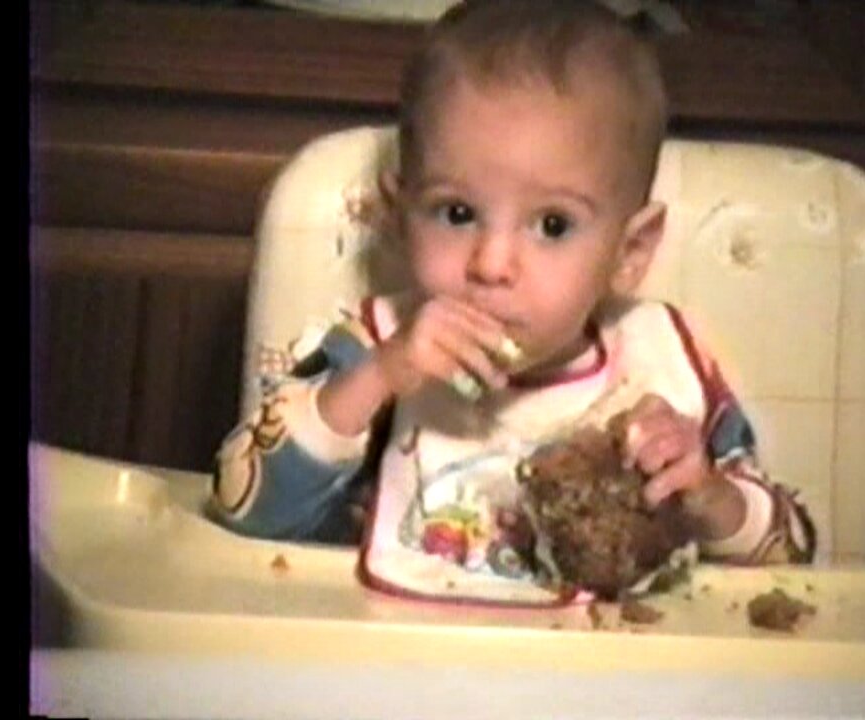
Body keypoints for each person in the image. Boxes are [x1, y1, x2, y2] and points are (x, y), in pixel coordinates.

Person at [208, 0, 814, 604]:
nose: (492, 265)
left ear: (631, 250)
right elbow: (242, 504)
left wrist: (711, 498)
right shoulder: (370, 349)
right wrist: (380, 377)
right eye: (457, 213)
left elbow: (792, 556)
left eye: (552, 225)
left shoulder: (666, 364)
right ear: (399, 217)